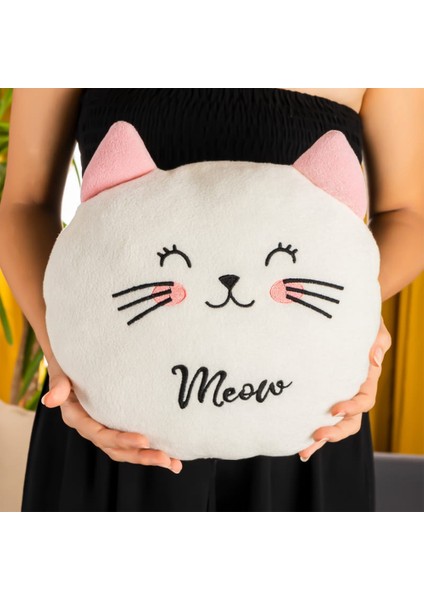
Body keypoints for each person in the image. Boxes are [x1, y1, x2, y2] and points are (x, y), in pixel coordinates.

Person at [0, 88, 421, 512]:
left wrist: (354, 305)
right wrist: (64, 351)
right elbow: (24, 203)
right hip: (112, 403)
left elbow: (408, 214)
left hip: (305, 403)